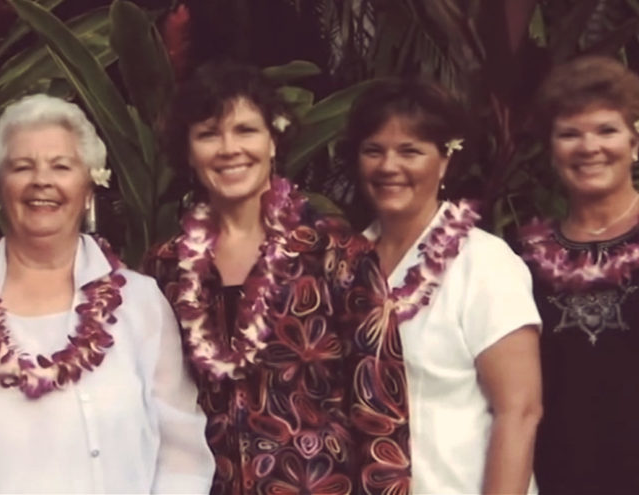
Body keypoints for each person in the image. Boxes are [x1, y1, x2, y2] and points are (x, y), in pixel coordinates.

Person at [145, 62, 410, 495]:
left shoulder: (338, 254)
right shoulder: (165, 267)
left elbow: (383, 416)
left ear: (273, 141)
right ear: (188, 153)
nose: (230, 148)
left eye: (246, 130)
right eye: (209, 134)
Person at [0, 93, 214, 494]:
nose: (41, 180)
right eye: (22, 167)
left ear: (88, 189)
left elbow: (181, 449)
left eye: (62, 166)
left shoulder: (140, 302)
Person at [341, 78, 543, 494]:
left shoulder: (483, 262)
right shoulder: (342, 266)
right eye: (373, 150)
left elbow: (519, 411)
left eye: (410, 151)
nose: (388, 166)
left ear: (445, 160)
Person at [519, 55, 639, 494]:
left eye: (607, 129)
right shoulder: (521, 259)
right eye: (570, 134)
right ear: (552, 151)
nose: (589, 147)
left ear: (634, 141)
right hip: (557, 478)